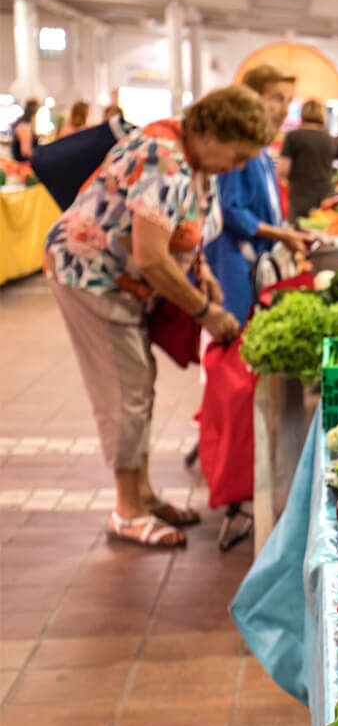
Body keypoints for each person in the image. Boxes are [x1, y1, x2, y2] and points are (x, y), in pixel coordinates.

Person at [43, 85, 274, 547]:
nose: (242, 164)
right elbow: (150, 256)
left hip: (126, 283)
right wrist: (206, 312)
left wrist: (202, 270)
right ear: (211, 134)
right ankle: (126, 511)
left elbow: (185, 227)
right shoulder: (162, 159)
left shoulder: (196, 161)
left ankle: (143, 493)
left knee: (140, 381)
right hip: (93, 276)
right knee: (125, 389)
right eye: (239, 152)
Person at [206, 64, 310, 326]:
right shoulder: (239, 149)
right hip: (234, 263)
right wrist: (282, 234)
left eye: (288, 100)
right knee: (233, 338)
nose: (285, 109)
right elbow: (231, 210)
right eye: (277, 98)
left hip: (253, 261)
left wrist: (285, 230)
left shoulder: (261, 152)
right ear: (250, 99)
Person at [279, 100, 338, 219]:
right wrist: (335, 182)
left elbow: (282, 171)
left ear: (303, 114)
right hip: (327, 199)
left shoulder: (293, 137)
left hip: (300, 199)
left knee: (299, 232)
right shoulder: (331, 139)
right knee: (324, 234)